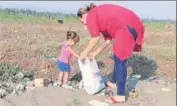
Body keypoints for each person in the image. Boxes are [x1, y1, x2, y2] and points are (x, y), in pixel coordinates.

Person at [77, 3, 144, 103]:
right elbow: (107, 41)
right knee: (117, 56)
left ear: (82, 16)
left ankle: (120, 95)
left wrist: (84, 53)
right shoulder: (99, 17)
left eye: (82, 22)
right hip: (131, 25)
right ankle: (113, 82)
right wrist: (95, 53)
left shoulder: (91, 16)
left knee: (120, 59)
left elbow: (95, 38)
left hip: (127, 27)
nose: (84, 26)